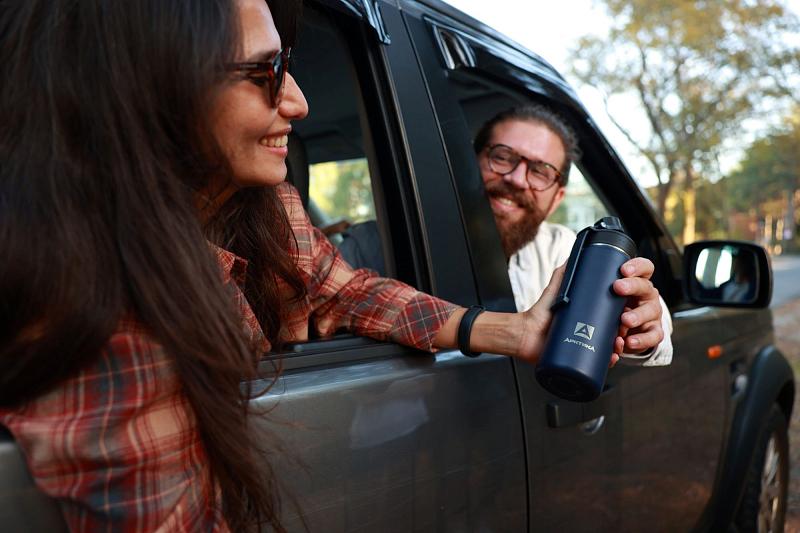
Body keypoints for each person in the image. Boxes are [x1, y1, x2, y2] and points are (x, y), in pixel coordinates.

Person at [0, 2, 665, 531]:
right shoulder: (97, 301)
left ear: (558, 193)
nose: (298, 101)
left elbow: (343, 290)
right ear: (148, 87)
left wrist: (517, 330)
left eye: (540, 171)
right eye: (263, 72)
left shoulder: (268, 208)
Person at [474, 105, 672, 365]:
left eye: (540, 171)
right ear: (469, 161)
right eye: (502, 157)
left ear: (556, 199)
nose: (517, 179)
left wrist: (635, 324)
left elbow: (660, 322)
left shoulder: (564, 248)